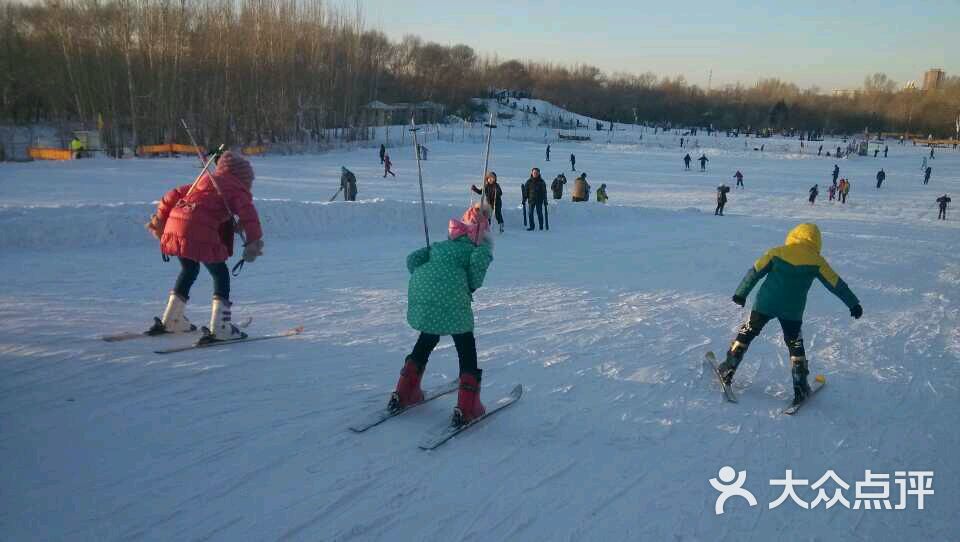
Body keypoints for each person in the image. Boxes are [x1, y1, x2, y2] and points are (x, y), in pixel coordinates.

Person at [717, 223, 861, 405]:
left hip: (765, 304)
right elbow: (836, 284)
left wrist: (741, 293)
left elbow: (754, 272)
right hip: (792, 310)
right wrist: (853, 303)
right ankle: (800, 386)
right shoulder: (817, 261)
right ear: (816, 241)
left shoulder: (777, 252)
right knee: (795, 343)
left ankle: (729, 367)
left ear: (793, 235)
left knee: (748, 331)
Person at [389, 203, 494, 426]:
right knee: (465, 342)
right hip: (452, 296)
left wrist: (431, 266)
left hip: (423, 289)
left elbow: (412, 261)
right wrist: (480, 254)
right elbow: (474, 280)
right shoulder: (479, 249)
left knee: (429, 333)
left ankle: (405, 389)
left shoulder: (444, 243)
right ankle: (468, 405)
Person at [145, 151, 264, 343]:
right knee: (220, 273)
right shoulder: (237, 189)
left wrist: (159, 220)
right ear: (244, 178)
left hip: (175, 226)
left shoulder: (207, 179)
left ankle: (172, 319)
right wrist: (254, 241)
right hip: (198, 229)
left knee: (189, 268)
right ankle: (221, 327)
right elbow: (249, 215)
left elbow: (171, 195)